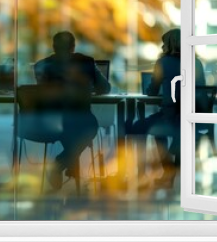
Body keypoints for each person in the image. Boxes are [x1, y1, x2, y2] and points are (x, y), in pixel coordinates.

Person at [34, 31, 111, 190]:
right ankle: (64, 163)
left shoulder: (41, 65)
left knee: (67, 127)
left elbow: (43, 93)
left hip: (51, 120)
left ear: (53, 47)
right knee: (88, 127)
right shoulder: (86, 62)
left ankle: (66, 164)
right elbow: (105, 88)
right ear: (73, 47)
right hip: (80, 118)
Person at [130, 28, 205, 188]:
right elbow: (202, 91)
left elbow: (152, 91)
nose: (162, 47)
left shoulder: (162, 63)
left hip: (169, 116)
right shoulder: (197, 63)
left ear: (169, 44)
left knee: (145, 127)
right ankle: (175, 169)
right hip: (192, 120)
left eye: (164, 44)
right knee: (173, 128)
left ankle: (163, 170)